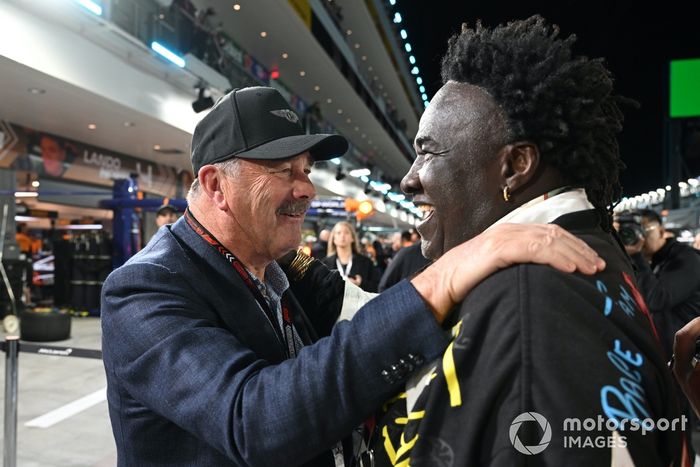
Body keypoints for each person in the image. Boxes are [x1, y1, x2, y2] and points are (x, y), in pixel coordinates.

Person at [100, 86, 604, 467]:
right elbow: (253, 421)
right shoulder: (144, 290)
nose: (306, 191)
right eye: (285, 172)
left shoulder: (278, 266)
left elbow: (365, 311)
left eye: (306, 170)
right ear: (216, 185)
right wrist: (442, 277)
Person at [349, 16, 679, 465]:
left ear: (515, 166)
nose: (409, 179)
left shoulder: (532, 297)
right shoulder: (571, 259)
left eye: (427, 152)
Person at [623, 209, 700, 360]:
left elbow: (657, 300)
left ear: (661, 231)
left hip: (685, 358)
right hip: (664, 352)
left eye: (644, 231)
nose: (640, 238)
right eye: (633, 231)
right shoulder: (651, 259)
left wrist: (636, 257)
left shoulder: (687, 258)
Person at [322, 221, 380, 292]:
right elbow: (320, 290)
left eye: (346, 232)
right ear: (334, 239)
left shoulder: (366, 262)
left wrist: (361, 283)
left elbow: (377, 287)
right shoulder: (325, 264)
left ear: (352, 238)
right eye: (338, 233)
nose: (342, 236)